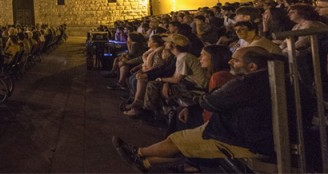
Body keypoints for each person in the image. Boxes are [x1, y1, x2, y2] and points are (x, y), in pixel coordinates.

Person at [112, 47, 283, 172]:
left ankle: (139, 153)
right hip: (242, 130)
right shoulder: (271, 79)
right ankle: (145, 162)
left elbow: (211, 101)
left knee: (178, 139)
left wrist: (196, 102)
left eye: (236, 60)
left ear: (252, 66)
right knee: (181, 141)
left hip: (240, 137)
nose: (231, 62)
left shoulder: (244, 83)